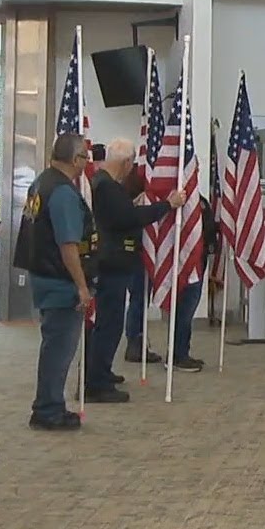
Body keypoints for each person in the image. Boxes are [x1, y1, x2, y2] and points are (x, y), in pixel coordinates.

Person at [13, 133, 97, 430]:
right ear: (75, 160)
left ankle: (50, 404)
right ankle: (48, 409)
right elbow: (68, 244)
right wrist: (82, 286)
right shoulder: (61, 192)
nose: (88, 162)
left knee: (54, 345)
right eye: (86, 157)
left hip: (45, 275)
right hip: (61, 282)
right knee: (60, 348)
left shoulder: (41, 183)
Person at [88, 138, 183, 399]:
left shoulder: (105, 184)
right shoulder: (107, 186)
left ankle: (101, 371)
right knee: (109, 323)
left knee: (109, 322)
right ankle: (96, 382)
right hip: (112, 263)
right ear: (127, 162)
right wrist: (166, 206)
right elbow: (128, 219)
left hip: (113, 261)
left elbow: (123, 214)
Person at [163, 196, 218, 372]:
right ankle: (177, 355)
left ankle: (182, 352)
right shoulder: (179, 198)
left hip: (199, 261)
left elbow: (208, 226)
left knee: (188, 311)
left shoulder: (200, 200)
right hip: (183, 264)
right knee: (183, 312)